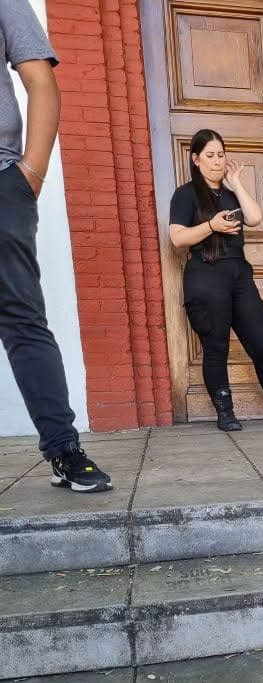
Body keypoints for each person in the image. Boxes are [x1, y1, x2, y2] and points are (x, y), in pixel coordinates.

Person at [0, 2, 112, 493]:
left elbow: (40, 80)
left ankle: (64, 449)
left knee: (23, 320)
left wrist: (30, 173)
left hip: (1, 183)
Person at [169, 129, 263, 429]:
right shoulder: (186, 194)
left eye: (221, 154)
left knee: (262, 344)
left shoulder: (230, 194)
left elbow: (255, 217)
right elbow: (177, 238)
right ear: (196, 159)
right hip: (206, 276)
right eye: (210, 155)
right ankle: (225, 413)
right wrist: (211, 226)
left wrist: (237, 183)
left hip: (239, 276)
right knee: (216, 348)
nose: (217, 161)